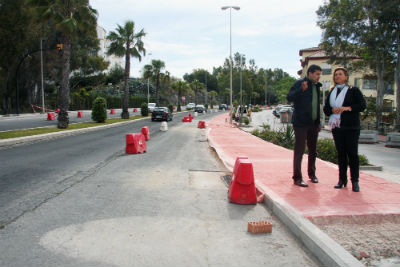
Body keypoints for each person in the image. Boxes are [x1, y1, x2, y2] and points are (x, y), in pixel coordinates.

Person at [323, 68, 366, 192]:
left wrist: (348, 108)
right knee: (341, 154)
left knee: (352, 154)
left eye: (340, 74)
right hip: (337, 128)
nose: (337, 76)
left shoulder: (353, 90)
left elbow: (362, 105)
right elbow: (326, 109)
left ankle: (355, 181)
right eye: (336, 75)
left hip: (351, 127)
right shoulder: (332, 92)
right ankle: (342, 179)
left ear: (346, 76)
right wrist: (332, 110)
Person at [287, 65, 322, 187]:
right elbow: (289, 98)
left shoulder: (317, 87)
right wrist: (301, 90)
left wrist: (318, 122)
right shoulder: (300, 83)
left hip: (313, 124)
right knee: (299, 151)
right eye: (317, 74)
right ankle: (297, 178)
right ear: (310, 73)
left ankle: (312, 175)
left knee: (313, 151)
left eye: (319, 74)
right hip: (300, 123)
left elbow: (316, 105)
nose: (318, 77)